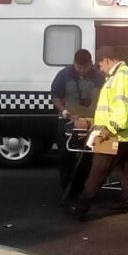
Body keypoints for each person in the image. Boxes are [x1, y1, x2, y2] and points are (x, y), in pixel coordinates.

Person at [70, 46, 128, 221]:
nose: (99, 69)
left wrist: (108, 129)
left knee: (97, 171)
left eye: (100, 65)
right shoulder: (119, 76)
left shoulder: (121, 77)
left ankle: (81, 209)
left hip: (113, 133)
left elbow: (122, 109)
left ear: (107, 60)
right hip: (125, 134)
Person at [50, 49, 105, 200]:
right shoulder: (64, 75)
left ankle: (83, 191)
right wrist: (67, 114)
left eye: (85, 68)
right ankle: (67, 191)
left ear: (91, 64)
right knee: (65, 158)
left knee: (87, 159)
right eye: (78, 67)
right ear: (74, 63)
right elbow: (55, 97)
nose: (81, 70)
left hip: (91, 123)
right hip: (68, 121)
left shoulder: (99, 77)